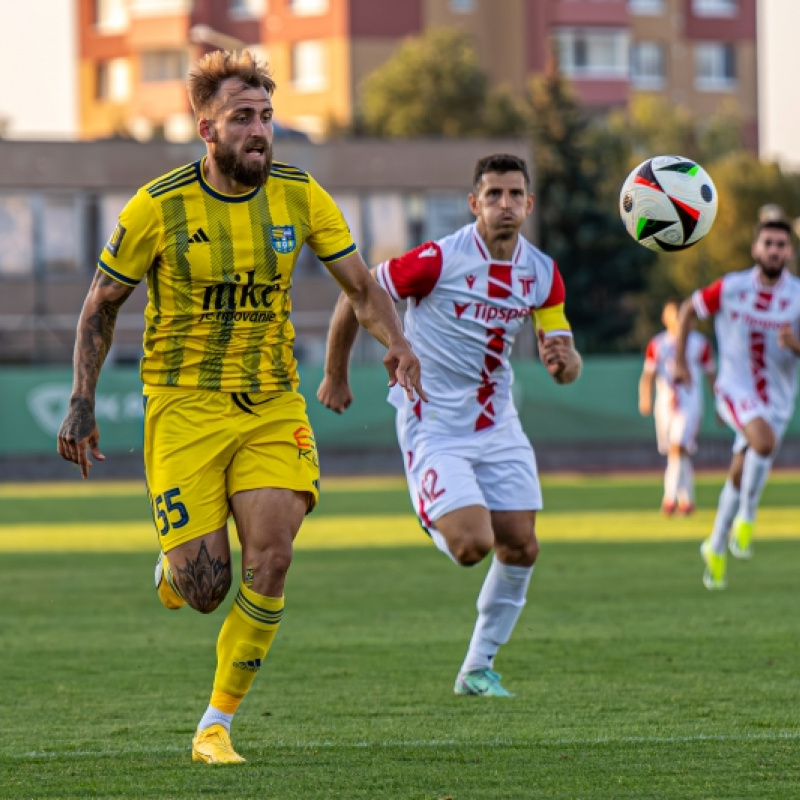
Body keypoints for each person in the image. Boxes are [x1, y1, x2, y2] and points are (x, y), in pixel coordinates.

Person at [56, 50, 424, 764]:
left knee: (273, 558)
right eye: (242, 119)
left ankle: (215, 725)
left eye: (266, 117)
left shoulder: (300, 193)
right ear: (206, 129)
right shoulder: (157, 206)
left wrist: (398, 342)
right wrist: (81, 401)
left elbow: (360, 285)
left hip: (270, 401)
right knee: (203, 587)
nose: (260, 131)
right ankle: (174, 565)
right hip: (184, 406)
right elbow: (101, 305)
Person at [317, 154, 582, 697]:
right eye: (493, 195)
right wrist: (335, 374)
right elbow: (359, 293)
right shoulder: (439, 259)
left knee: (522, 547)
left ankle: (477, 668)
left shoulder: (543, 273)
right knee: (471, 546)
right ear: (474, 204)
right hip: (433, 420)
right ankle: (432, 509)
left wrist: (564, 363)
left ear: (529, 205)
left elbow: (565, 359)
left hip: (498, 423)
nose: (504, 204)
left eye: (514, 195)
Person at [675, 218, 800, 590]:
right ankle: (747, 516)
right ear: (756, 249)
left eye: (781, 244)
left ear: (789, 252)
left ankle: (714, 546)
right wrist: (680, 361)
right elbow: (687, 311)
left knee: (740, 471)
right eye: (768, 243)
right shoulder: (730, 287)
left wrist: (794, 345)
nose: (774, 250)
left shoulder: (797, 296)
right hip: (733, 386)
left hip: (777, 398)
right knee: (763, 442)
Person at [638, 298, 716, 515]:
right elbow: (648, 375)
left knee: (677, 447)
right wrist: (645, 397)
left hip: (690, 403)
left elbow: (711, 375)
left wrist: (719, 403)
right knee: (678, 453)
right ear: (665, 318)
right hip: (664, 405)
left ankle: (669, 499)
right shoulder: (658, 344)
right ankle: (687, 501)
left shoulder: (700, 343)